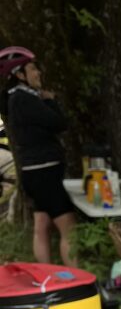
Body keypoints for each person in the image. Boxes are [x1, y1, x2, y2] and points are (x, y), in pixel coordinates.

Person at [0, 46, 76, 263]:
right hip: (44, 171)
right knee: (69, 228)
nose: (38, 73)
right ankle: (77, 277)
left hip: (32, 171)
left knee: (41, 226)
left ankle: (46, 276)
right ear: (19, 75)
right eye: (33, 69)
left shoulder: (16, 99)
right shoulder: (25, 99)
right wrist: (50, 100)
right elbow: (59, 123)